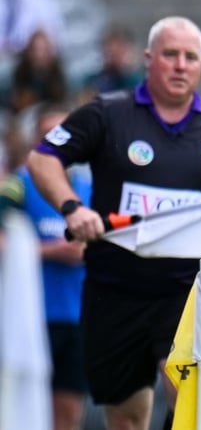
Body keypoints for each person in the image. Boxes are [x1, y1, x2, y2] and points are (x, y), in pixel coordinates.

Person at [25, 16, 201, 430]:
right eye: (171, 55)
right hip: (115, 290)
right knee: (127, 418)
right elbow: (42, 158)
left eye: (190, 57)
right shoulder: (108, 114)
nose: (180, 65)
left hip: (188, 287)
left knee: (189, 396)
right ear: (148, 59)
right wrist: (72, 208)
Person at [1, 102, 91, 430]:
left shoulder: (88, 188)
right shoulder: (17, 185)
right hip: (28, 318)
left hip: (77, 318)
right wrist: (50, 251)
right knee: (21, 407)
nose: (55, 142)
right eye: (46, 134)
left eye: (62, 134)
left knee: (68, 412)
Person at [78, 22, 145, 104]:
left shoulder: (140, 79)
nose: (112, 55)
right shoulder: (93, 81)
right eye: (109, 49)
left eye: (118, 50)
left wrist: (125, 71)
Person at [7, 29, 68, 113]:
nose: (38, 54)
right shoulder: (22, 70)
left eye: (42, 49)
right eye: (35, 49)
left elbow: (61, 98)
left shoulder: (56, 69)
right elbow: (17, 100)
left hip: (52, 111)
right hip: (27, 113)